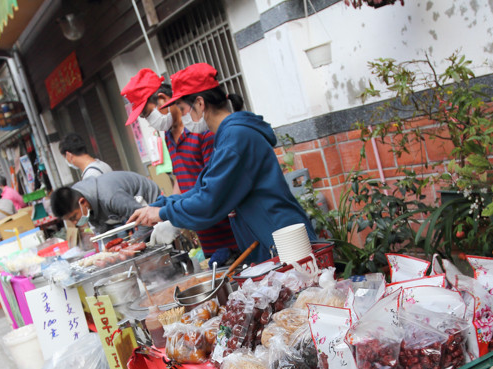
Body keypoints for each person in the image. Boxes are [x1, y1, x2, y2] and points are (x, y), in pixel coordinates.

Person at [129, 63, 316, 263]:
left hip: (283, 241)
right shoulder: (227, 136)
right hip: (268, 240)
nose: (183, 116)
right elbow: (203, 187)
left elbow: (209, 201)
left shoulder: (235, 138)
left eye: (183, 108)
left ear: (200, 104)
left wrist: (164, 213)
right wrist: (161, 205)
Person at [121, 69, 238, 262]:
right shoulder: (168, 135)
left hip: (225, 227)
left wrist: (169, 214)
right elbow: (181, 180)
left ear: (162, 99)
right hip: (203, 231)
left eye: (147, 114)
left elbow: (212, 188)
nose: (149, 122)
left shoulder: (202, 129)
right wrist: (163, 211)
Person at [49, 170, 160, 235]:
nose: (74, 222)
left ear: (82, 202)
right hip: (134, 211)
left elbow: (146, 220)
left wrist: (134, 243)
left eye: (74, 217)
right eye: (70, 220)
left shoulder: (110, 197)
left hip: (152, 204)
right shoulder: (85, 203)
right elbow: (104, 232)